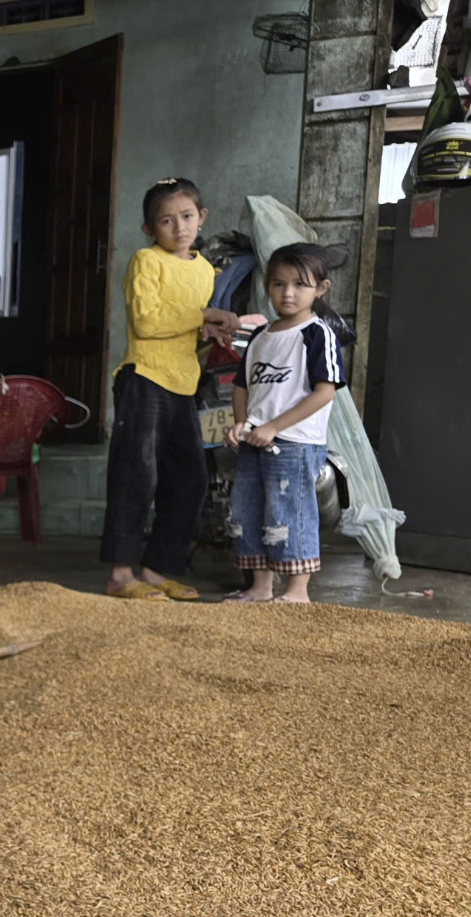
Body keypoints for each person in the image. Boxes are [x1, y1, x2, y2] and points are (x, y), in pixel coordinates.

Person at [101, 177, 241, 601]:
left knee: (189, 479)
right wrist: (205, 313)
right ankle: (121, 575)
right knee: (135, 475)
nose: (179, 227)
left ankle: (158, 569)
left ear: (202, 218)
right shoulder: (146, 262)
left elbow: (184, 326)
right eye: (166, 220)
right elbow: (147, 322)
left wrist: (210, 331)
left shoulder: (203, 270)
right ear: (149, 229)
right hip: (143, 377)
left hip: (182, 384)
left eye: (186, 217)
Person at [221, 244, 346, 604]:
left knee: (289, 510)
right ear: (267, 285)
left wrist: (274, 426)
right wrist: (241, 423)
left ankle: (297, 591)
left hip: (295, 443)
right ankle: (261, 588)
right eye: (278, 284)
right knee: (249, 510)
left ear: (321, 288)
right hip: (253, 441)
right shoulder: (262, 337)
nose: (287, 293)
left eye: (299, 285)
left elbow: (325, 393)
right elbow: (242, 387)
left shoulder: (317, 334)